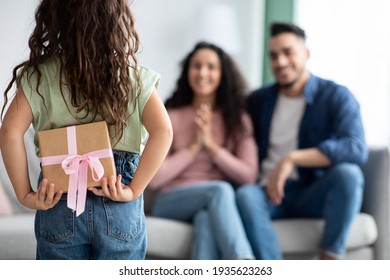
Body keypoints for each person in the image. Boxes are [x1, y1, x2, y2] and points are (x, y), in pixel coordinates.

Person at [0, 0, 172, 260]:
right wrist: (133, 189)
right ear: (116, 21)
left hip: (58, 194)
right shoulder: (133, 76)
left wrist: (24, 194)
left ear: (55, 19)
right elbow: (164, 131)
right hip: (116, 191)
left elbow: (9, 132)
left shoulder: (39, 76)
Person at [236, 22, 368, 260]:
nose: (281, 62)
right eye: (274, 56)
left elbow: (356, 147)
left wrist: (292, 158)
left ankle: (329, 259)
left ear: (306, 54)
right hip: (268, 194)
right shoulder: (259, 100)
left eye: (288, 52)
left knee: (349, 174)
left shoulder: (335, 96)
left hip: (312, 192)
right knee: (245, 195)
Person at [148, 42, 258, 260]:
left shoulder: (237, 119)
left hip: (214, 204)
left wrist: (211, 145)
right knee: (220, 190)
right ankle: (244, 263)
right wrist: (194, 147)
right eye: (196, 66)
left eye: (211, 67)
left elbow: (249, 175)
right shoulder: (172, 115)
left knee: (206, 220)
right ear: (188, 71)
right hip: (170, 200)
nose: (203, 73)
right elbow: (154, 178)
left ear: (222, 74)